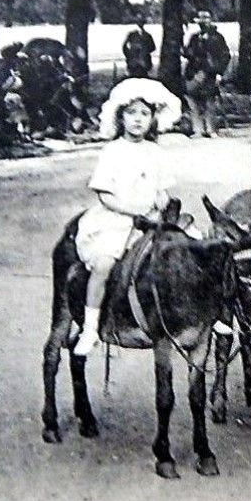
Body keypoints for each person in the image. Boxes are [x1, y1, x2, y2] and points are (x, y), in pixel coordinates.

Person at [72, 77, 183, 356]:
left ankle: (205, 313)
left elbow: (163, 188)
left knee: (191, 251)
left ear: (153, 120)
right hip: (116, 220)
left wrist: (161, 198)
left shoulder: (155, 151)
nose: (138, 120)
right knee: (105, 264)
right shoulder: (114, 151)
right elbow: (105, 195)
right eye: (131, 113)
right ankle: (90, 327)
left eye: (144, 114)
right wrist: (133, 209)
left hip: (152, 220)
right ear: (120, 118)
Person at [182, 13, 232, 138]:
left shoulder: (217, 38)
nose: (203, 22)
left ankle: (210, 129)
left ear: (210, 20)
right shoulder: (194, 37)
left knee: (209, 101)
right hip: (194, 73)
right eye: (200, 19)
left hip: (210, 73)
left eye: (205, 19)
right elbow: (188, 54)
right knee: (193, 100)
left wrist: (219, 72)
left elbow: (225, 56)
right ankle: (197, 129)